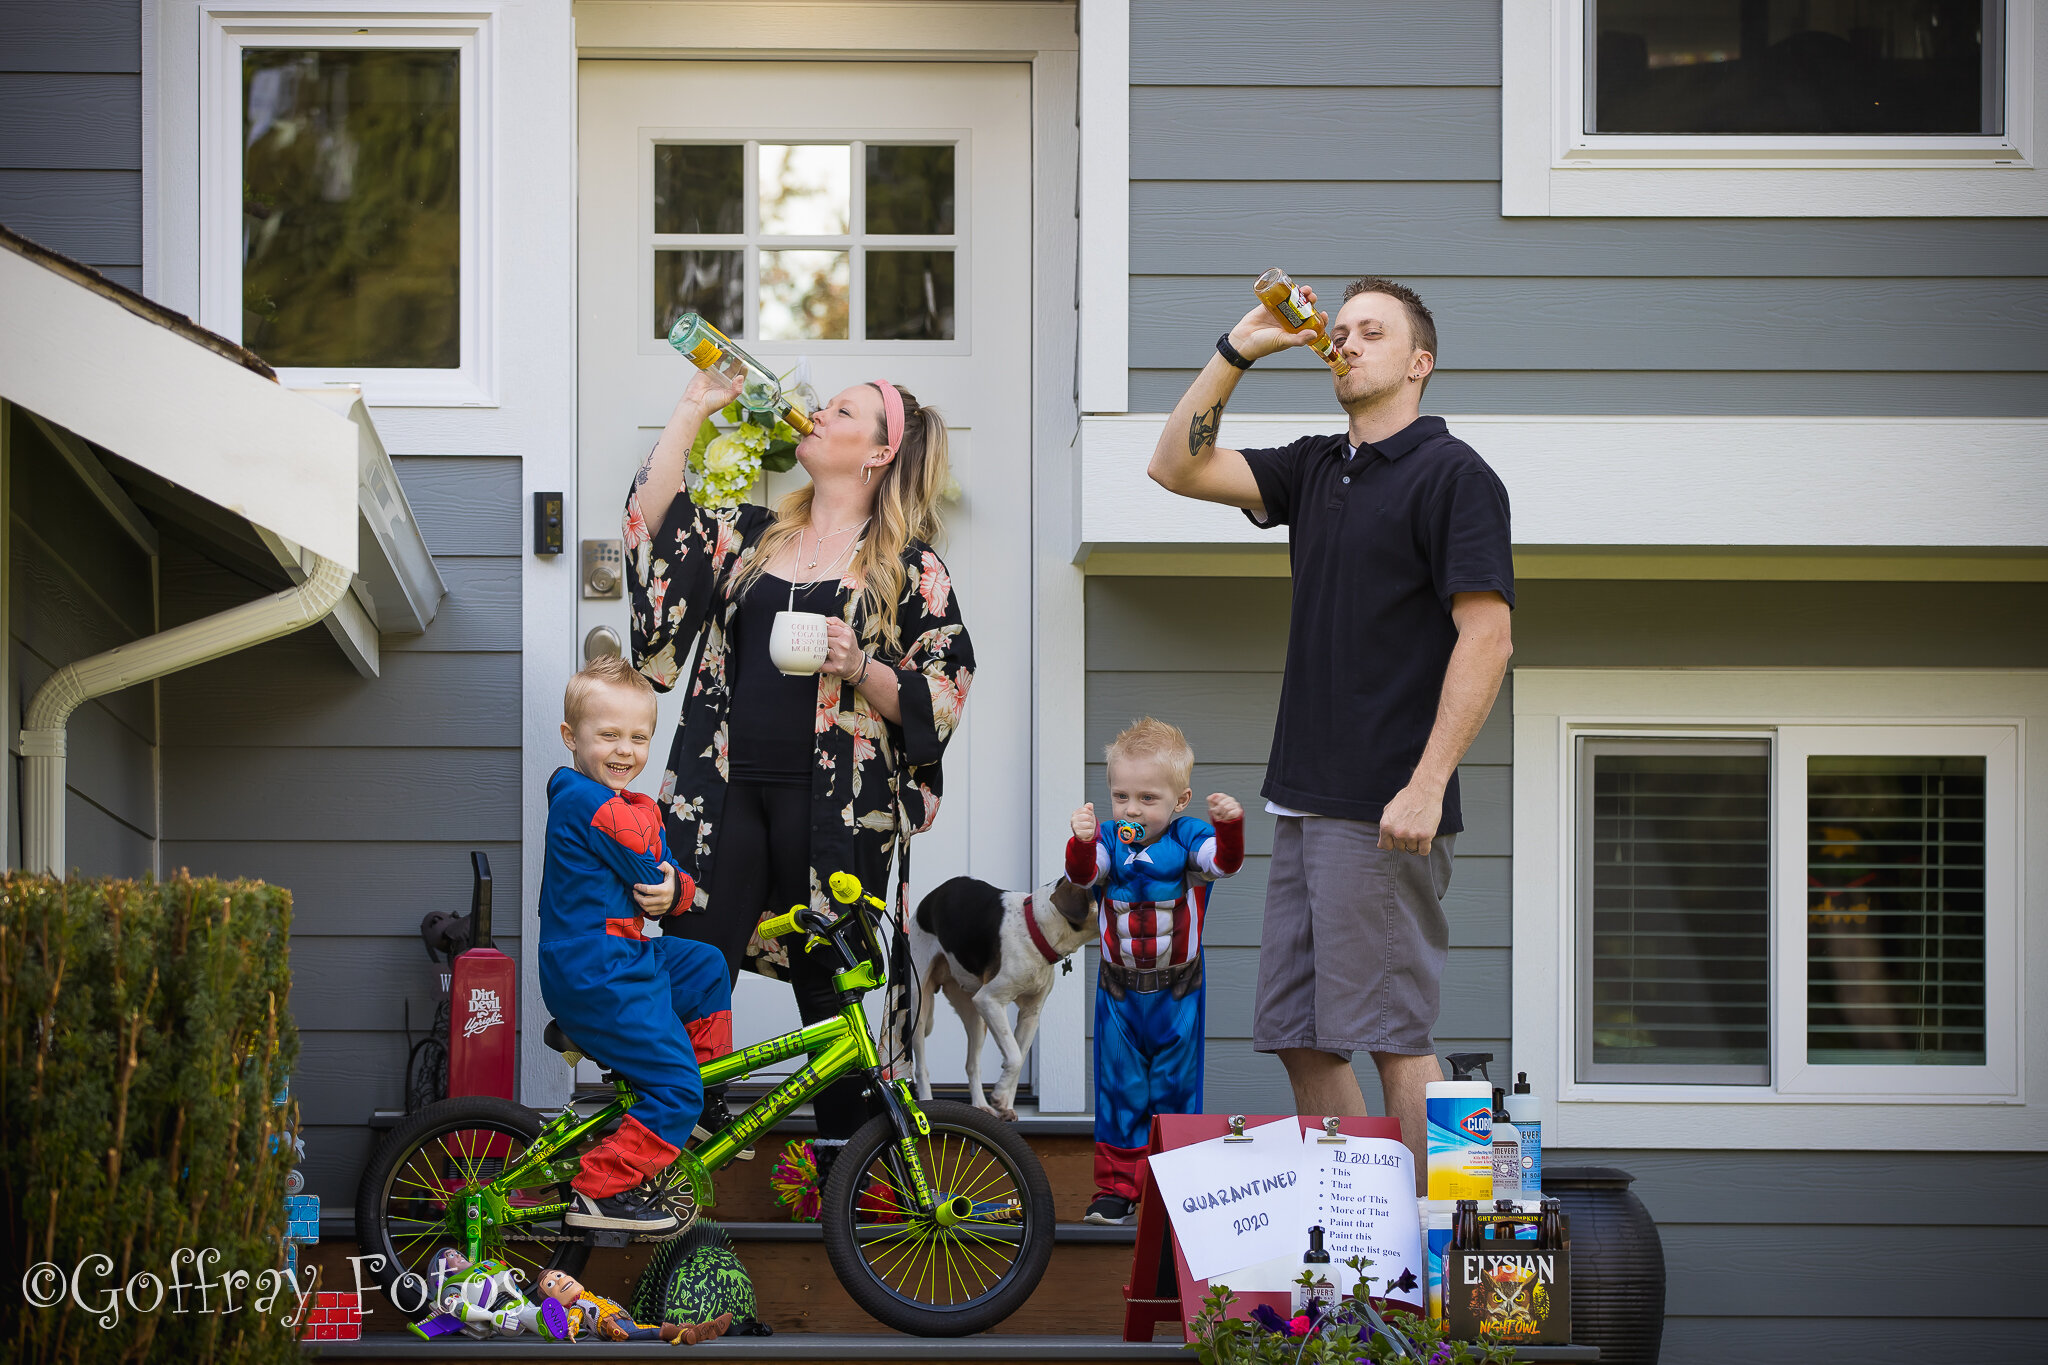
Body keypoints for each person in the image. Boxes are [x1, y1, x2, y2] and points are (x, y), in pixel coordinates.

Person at [1144, 277, 1514, 1188]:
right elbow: (1175, 467)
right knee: (1300, 1035)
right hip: (1304, 801)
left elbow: (1488, 636)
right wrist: (1241, 346)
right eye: (1340, 330)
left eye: (1371, 331)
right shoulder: (1316, 467)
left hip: (1386, 804)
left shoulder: (1455, 474)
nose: (1346, 342)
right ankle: (1362, 1241)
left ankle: (1444, 1251)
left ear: (1419, 363)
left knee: (1394, 1035)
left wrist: (1427, 782)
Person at [624, 365, 975, 1172]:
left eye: (843, 411)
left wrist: (862, 667)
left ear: (878, 453)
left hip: (837, 811)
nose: (818, 413)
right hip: (722, 795)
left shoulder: (910, 569)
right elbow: (659, 526)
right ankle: (661, 1160)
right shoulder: (750, 536)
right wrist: (691, 411)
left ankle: (853, 1183)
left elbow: (944, 691)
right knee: (693, 960)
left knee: (835, 986)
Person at [537, 657, 735, 1234]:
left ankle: (702, 1094)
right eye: (608, 735)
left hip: (619, 958)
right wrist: (676, 889)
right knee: (673, 1090)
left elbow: (666, 879)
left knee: (705, 964)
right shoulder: (589, 802)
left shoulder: (619, 805)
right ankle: (600, 1190)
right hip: (596, 972)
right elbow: (657, 873)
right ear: (572, 737)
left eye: (639, 738)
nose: (625, 750)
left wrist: (674, 888)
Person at [1065, 717, 1244, 1224]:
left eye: (1148, 798)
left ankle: (1174, 1191)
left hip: (1178, 991)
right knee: (1119, 1090)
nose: (1132, 809)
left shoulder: (1189, 837)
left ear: (1180, 800)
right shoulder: (1107, 837)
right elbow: (1085, 874)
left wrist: (1229, 827)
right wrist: (1081, 841)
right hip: (1119, 992)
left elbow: (1223, 864)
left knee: (1175, 1090)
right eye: (1121, 796)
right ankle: (1116, 1188)